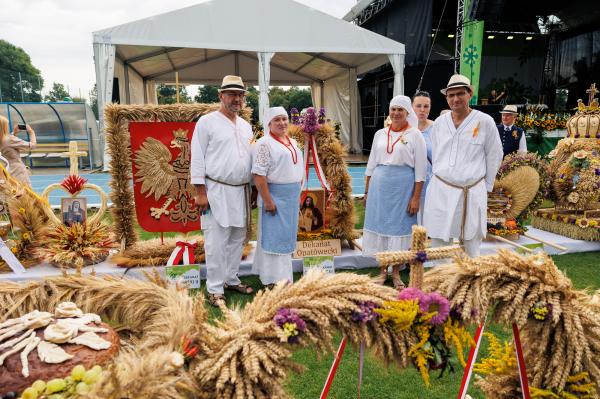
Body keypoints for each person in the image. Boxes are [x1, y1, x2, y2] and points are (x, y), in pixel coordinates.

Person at [190, 75, 255, 307]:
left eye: (240, 95)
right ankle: (215, 289)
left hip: (241, 191)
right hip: (215, 189)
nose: (236, 99)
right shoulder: (206, 122)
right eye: (231, 94)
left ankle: (230, 278)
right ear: (221, 96)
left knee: (237, 238)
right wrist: (200, 192)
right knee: (216, 241)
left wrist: (254, 190)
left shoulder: (246, 127)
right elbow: (197, 157)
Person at [423, 74, 503, 257]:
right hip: (442, 189)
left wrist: (487, 185)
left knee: (471, 242)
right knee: (439, 241)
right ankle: (441, 281)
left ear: (470, 95)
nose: (455, 99)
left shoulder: (485, 121)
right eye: (451, 95)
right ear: (446, 98)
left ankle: (469, 280)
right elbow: (436, 153)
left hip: (472, 190)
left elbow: (495, 154)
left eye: (460, 93)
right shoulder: (439, 124)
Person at [363, 95, 427, 288]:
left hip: (403, 189)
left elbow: (421, 171)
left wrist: (415, 198)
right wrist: (367, 192)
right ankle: (383, 272)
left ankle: (397, 273)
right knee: (381, 228)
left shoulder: (415, 135)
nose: (396, 113)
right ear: (389, 111)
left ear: (407, 112)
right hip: (379, 188)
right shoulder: (380, 134)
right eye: (393, 109)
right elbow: (371, 165)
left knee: (400, 229)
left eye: (400, 109)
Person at [251, 107, 304, 288]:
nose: (282, 123)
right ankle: (272, 280)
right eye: (277, 120)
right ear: (269, 123)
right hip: (273, 196)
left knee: (285, 238)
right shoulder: (265, 144)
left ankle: (283, 277)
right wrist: (268, 201)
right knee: (273, 238)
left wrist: (297, 194)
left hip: (290, 198)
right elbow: (259, 176)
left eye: (284, 119)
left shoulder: (293, 142)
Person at [412, 91, 434, 225]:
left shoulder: (437, 128)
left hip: (428, 184)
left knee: (426, 225)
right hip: (408, 184)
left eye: (426, 106)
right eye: (418, 106)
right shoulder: (404, 128)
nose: (422, 110)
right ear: (412, 107)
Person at [0, 116, 37, 186]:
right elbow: (32, 145)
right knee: (26, 195)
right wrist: (31, 132)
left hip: (7, 172)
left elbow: (7, 143)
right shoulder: (10, 139)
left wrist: (14, 133)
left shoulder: (2, 139)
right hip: (18, 173)